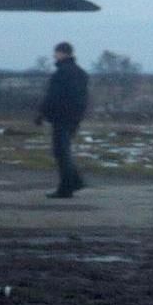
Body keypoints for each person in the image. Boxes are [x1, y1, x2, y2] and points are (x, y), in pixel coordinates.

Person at [35, 41, 89, 198]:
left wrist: (42, 113)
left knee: (61, 152)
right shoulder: (81, 73)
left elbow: (53, 96)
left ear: (63, 53)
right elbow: (82, 98)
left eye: (56, 52)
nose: (54, 55)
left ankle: (67, 187)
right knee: (63, 150)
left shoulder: (61, 73)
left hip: (61, 117)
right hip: (74, 117)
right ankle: (75, 181)